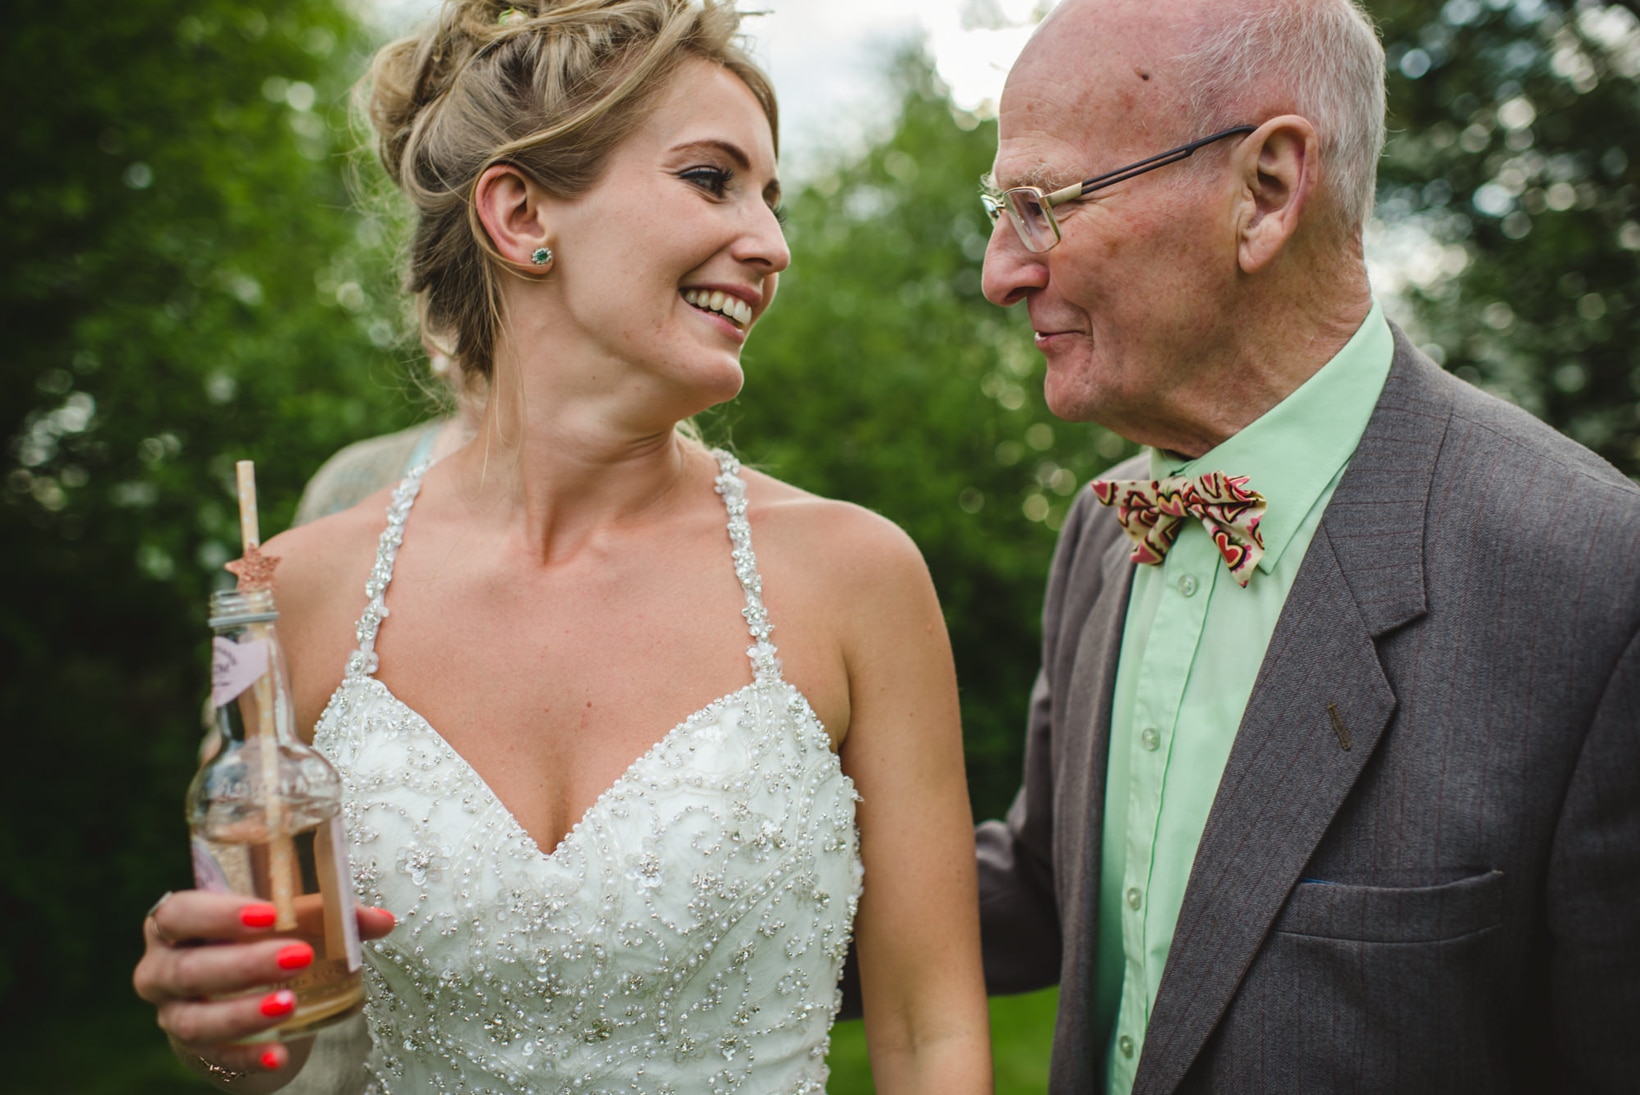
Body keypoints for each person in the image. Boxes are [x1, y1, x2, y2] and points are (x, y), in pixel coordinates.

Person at [132, 2, 992, 1092]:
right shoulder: (297, 592)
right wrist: (221, 1022)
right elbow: (282, 1042)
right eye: (710, 179)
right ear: (519, 210)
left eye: (772, 198)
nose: (772, 245)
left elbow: (930, 1036)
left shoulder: (855, 577)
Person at [970, 0, 1640, 1092]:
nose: (1002, 270)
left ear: (1265, 189)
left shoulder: (1594, 585)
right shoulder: (1101, 532)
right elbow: (1056, 885)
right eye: (1003, 211)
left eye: (1043, 205)